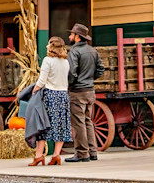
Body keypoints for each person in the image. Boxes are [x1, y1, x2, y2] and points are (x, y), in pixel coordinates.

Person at [29, 36, 72, 166]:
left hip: (50, 95)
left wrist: (34, 90)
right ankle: (56, 156)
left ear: (51, 46)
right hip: (63, 95)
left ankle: (38, 156)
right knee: (60, 126)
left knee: (43, 125)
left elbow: (42, 80)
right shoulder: (65, 62)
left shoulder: (48, 61)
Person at [67, 23, 104, 162]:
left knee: (79, 123)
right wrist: (90, 79)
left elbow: (72, 72)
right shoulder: (93, 51)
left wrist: (70, 84)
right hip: (90, 91)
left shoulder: (74, 52)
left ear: (77, 37)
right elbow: (100, 69)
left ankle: (82, 153)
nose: (70, 36)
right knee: (88, 121)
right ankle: (92, 152)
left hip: (78, 92)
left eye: (72, 34)